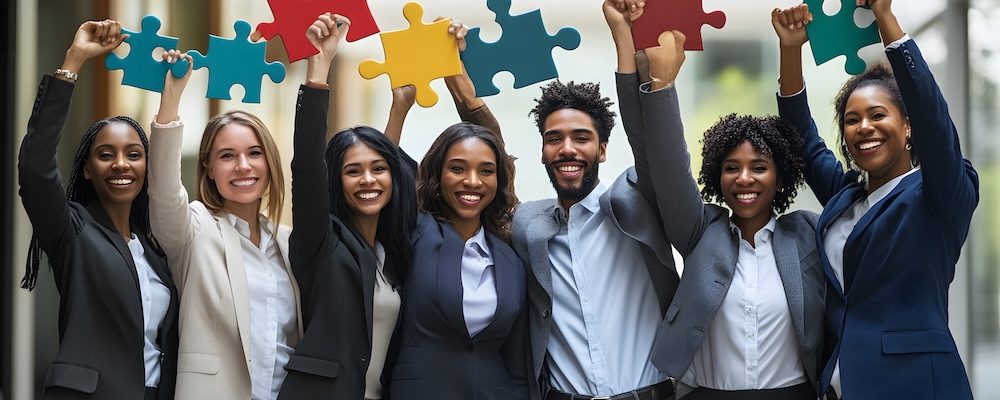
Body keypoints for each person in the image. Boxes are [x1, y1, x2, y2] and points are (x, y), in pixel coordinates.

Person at [773, 1, 977, 398]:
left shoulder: (940, 193)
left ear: (908, 127)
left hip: (914, 386)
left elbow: (934, 121)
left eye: (878, 115)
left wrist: (886, 20)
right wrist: (790, 50)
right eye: (852, 120)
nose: (864, 127)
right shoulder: (846, 196)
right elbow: (803, 140)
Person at [618, 10, 824, 397]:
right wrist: (660, 83)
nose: (744, 178)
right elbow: (666, 164)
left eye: (759, 167)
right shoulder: (701, 232)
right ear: (718, 176)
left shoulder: (808, 234)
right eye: (732, 168)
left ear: (780, 177)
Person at [508, 2, 681, 398]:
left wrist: (622, 35)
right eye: (554, 139)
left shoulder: (637, 200)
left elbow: (649, 141)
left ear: (602, 150)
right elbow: (484, 175)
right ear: (542, 152)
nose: (567, 148)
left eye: (581, 138)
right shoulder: (527, 225)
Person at [17, 19, 178, 400]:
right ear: (87, 169)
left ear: (147, 167)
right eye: (106, 155)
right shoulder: (72, 229)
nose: (121, 164)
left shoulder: (156, 252)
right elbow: (36, 168)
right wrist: (74, 61)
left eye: (134, 154)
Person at [381, 22, 531, 400]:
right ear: (437, 174)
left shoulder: (510, 249)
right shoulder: (415, 231)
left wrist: (462, 85)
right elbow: (381, 174)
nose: (472, 182)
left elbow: (516, 357)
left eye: (486, 171)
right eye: (458, 169)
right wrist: (400, 107)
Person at [275, 14, 416, 400]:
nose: (368, 180)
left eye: (377, 170)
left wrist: (399, 110)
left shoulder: (390, 252)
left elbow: (392, 172)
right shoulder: (321, 240)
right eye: (353, 171)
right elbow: (307, 165)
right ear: (336, 180)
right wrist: (318, 68)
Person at [147, 49, 302, 399]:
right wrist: (171, 98)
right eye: (227, 156)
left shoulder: (288, 243)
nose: (243, 166)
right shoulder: (195, 229)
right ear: (210, 168)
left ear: (270, 162)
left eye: (254, 153)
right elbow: (165, 192)